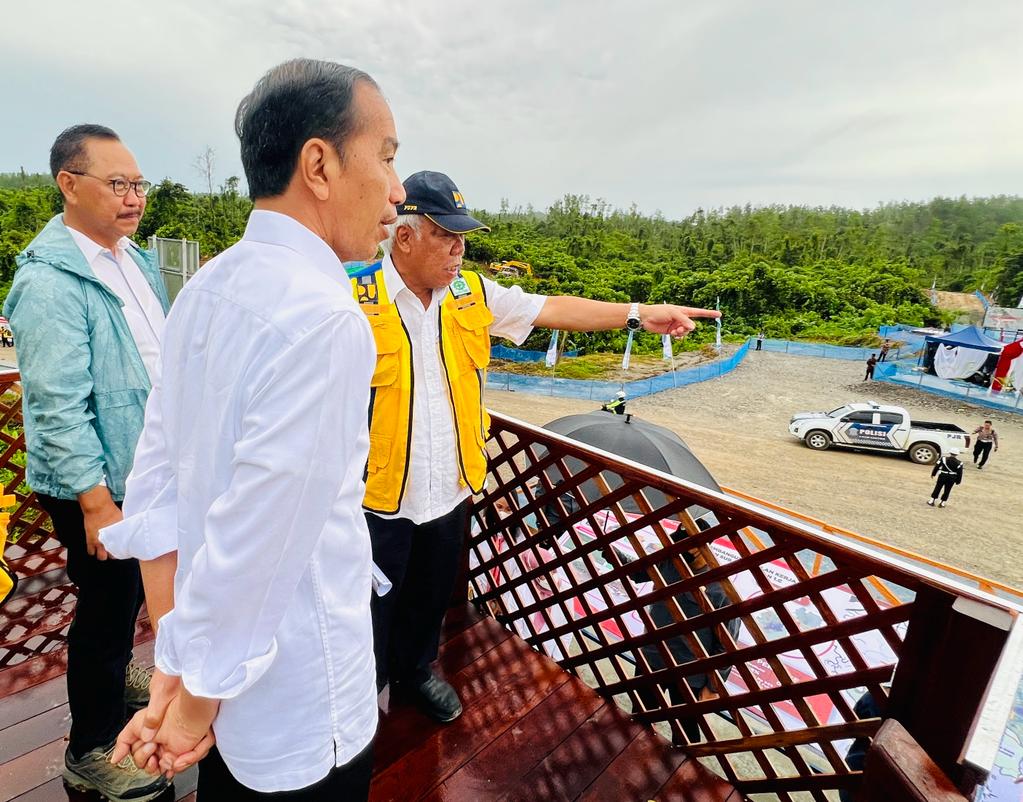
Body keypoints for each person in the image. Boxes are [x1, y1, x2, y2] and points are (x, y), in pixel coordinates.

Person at [102, 59, 405, 800]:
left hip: (217, 683)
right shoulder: (325, 319)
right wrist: (189, 703)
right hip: (300, 701)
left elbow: (157, 488)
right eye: (388, 156)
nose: (398, 189)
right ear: (318, 164)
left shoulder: (207, 286)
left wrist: (176, 680)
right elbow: (261, 540)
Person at [358, 169, 719, 723]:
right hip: (377, 497)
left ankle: (416, 671)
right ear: (405, 237)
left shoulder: (469, 293)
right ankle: (368, 688)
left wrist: (638, 315)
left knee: (430, 598)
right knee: (368, 608)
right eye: (446, 236)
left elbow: (551, 308)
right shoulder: (355, 296)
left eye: (463, 237)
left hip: (450, 489)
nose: (460, 249)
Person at [3, 125, 170, 801]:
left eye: (138, 184)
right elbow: (55, 408)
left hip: (141, 471)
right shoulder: (50, 282)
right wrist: (98, 504)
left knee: (128, 594)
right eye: (117, 184)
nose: (133, 198)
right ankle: (91, 750)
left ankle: (112, 679)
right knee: (104, 612)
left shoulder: (133, 259)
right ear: (69, 185)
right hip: (94, 486)